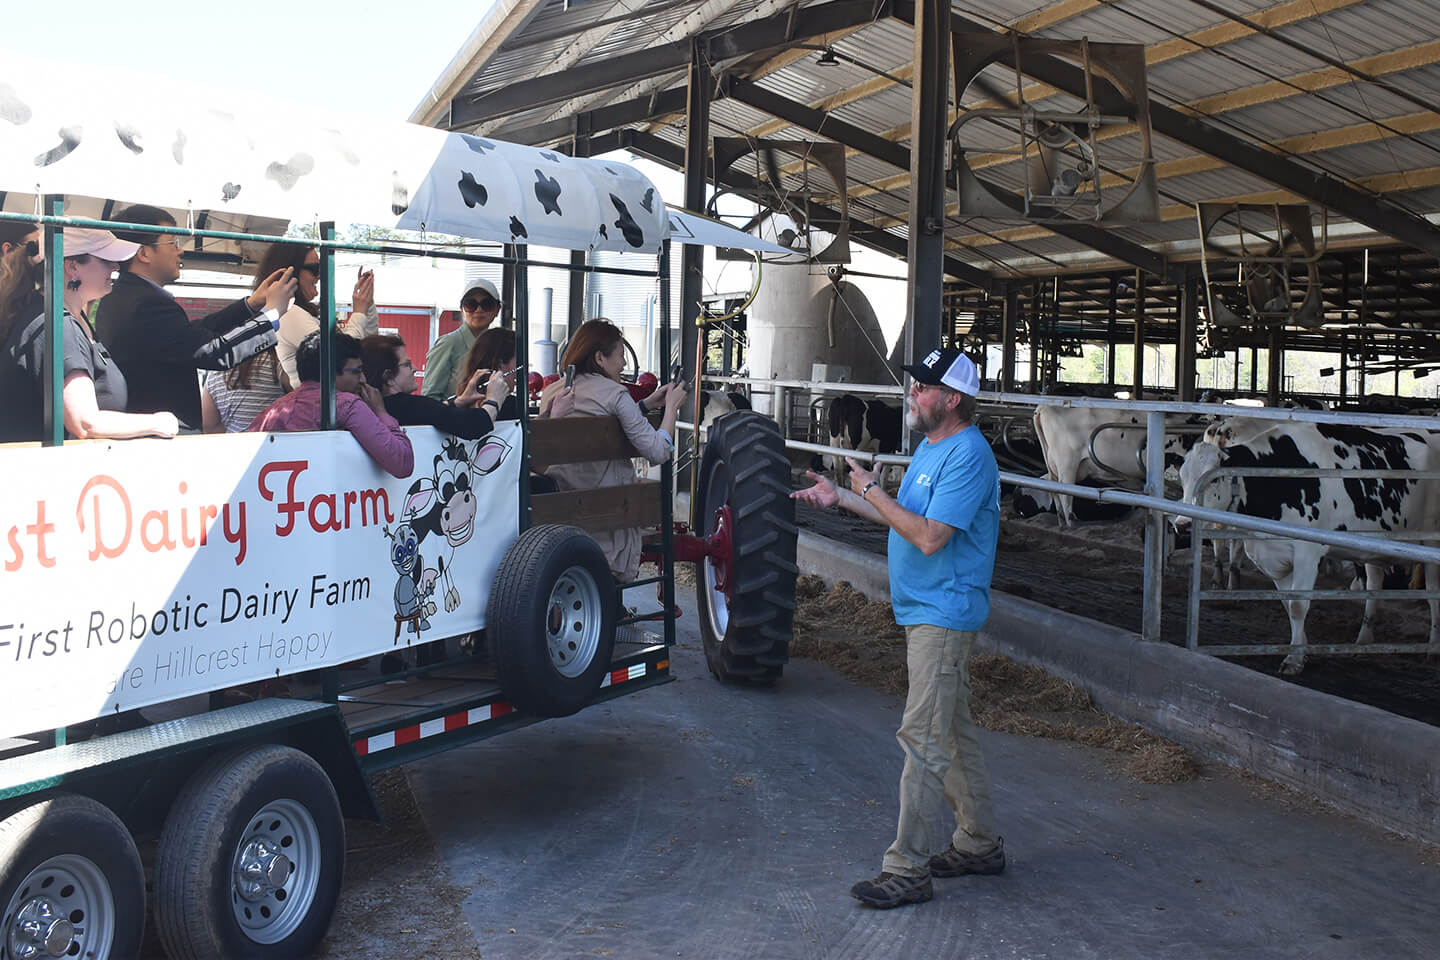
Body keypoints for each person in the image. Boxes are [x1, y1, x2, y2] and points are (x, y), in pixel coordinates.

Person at [792, 347, 1004, 910]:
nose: (912, 394)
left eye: (922, 387)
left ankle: (907, 868)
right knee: (950, 732)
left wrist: (871, 491)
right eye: (914, 385)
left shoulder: (968, 456)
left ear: (952, 399)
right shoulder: (933, 451)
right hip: (922, 610)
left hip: (944, 613)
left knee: (924, 739)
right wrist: (842, 496)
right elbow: (901, 521)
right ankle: (979, 843)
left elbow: (931, 537)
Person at [94, 204, 297, 430]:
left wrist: (251, 305)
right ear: (144, 253)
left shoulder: (124, 297)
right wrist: (271, 315)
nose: (180, 250)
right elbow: (213, 351)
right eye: (172, 242)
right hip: (161, 434)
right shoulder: (146, 305)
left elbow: (192, 336)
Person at [0, 229, 180, 443]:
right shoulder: (59, 323)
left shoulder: (51, 315)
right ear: (72, 267)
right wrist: (158, 422)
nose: (116, 267)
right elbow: (85, 422)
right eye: (106, 260)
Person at [545, 319, 687, 582]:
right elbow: (657, 452)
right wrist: (671, 409)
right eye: (621, 355)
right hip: (607, 523)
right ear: (600, 357)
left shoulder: (554, 390)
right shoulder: (615, 394)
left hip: (556, 513)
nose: (623, 364)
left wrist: (643, 405)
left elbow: (604, 421)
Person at [250, 331, 412, 478]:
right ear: (330, 373)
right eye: (356, 371)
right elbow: (402, 463)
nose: (363, 379)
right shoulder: (348, 405)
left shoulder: (271, 412)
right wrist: (380, 411)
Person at [259, 243, 378, 386]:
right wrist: (359, 312)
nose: (320, 276)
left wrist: (367, 305)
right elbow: (340, 354)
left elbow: (368, 345)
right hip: (320, 404)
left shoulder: (300, 312)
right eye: (315, 269)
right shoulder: (290, 313)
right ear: (289, 272)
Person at [359, 333, 512, 440]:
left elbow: (433, 413)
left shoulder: (367, 407)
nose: (415, 368)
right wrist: (494, 400)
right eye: (406, 364)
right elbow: (475, 425)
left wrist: (457, 402)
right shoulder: (408, 406)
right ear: (389, 378)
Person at [420, 279, 500, 401]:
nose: (479, 310)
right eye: (471, 304)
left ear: (497, 310)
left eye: (487, 304)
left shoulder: (498, 346)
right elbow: (429, 398)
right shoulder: (448, 344)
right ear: (462, 310)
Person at [200, 347, 289, 433]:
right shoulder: (274, 362)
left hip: (234, 445)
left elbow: (209, 426)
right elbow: (296, 398)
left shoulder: (215, 371)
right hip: (271, 442)